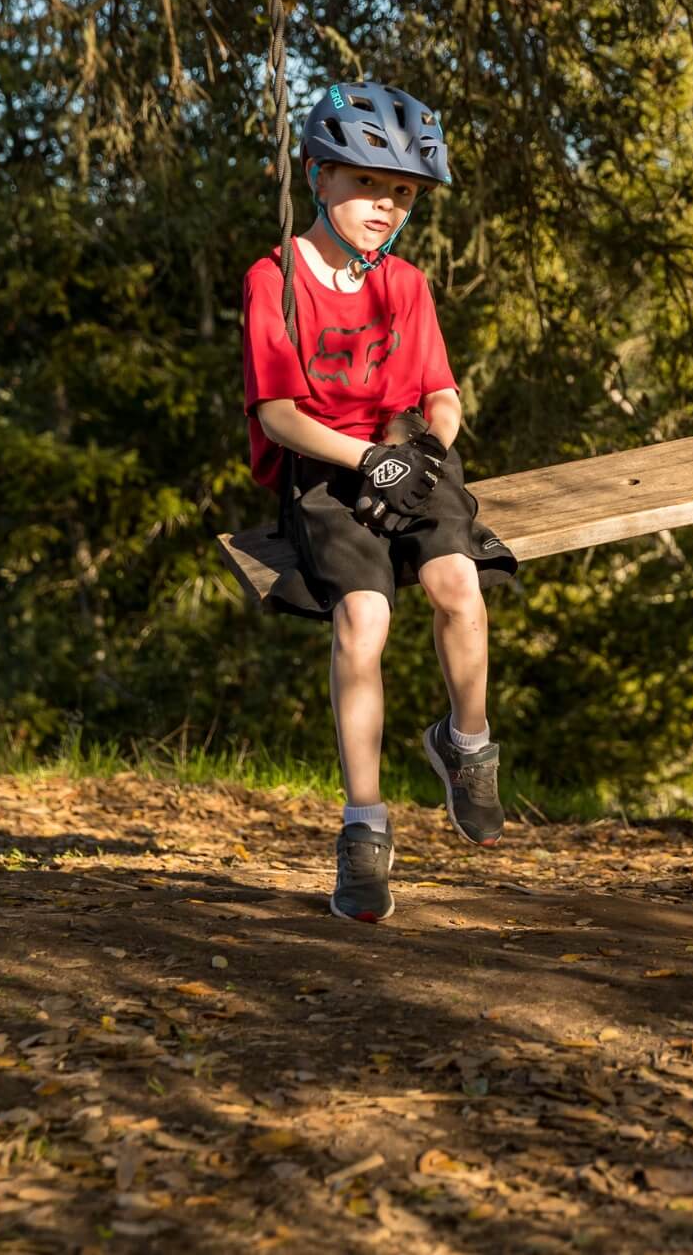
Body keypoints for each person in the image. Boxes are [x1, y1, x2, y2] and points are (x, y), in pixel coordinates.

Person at [241, 82, 517, 922]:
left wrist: (425, 448)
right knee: (365, 616)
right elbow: (279, 414)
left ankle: (465, 744)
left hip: (405, 453)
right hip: (326, 470)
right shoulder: (277, 277)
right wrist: (366, 459)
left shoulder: (406, 283)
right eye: (366, 184)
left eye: (400, 193)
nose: (384, 206)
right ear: (320, 178)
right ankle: (364, 825)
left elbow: (441, 391)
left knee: (459, 587)